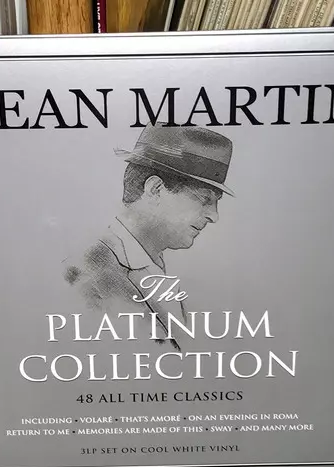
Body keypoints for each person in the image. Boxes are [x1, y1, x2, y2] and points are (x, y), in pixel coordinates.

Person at [62, 123, 234, 350]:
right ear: (155, 189)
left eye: (215, 203)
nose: (214, 216)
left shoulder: (153, 270)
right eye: (204, 199)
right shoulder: (86, 275)